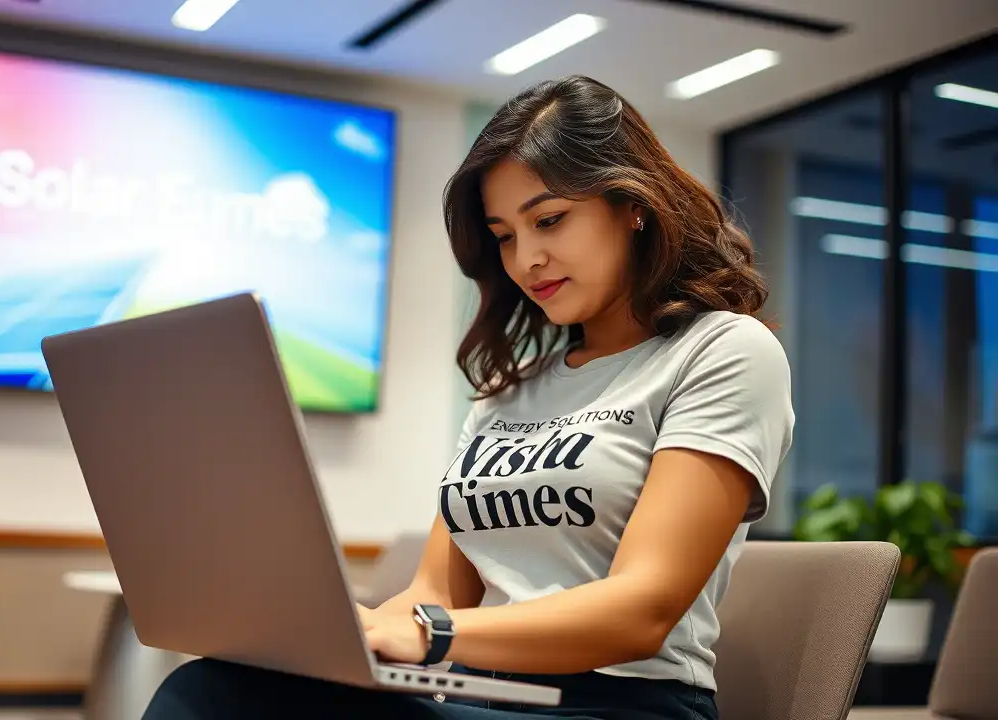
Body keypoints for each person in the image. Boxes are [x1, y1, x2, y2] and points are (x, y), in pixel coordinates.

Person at [141, 74, 794, 719]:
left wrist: (434, 635)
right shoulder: (509, 393)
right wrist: (347, 635)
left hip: (623, 703)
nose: (526, 258)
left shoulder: (721, 352)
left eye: (549, 220)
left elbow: (642, 608)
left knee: (207, 702)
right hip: (480, 693)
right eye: (505, 235)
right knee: (212, 687)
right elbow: (432, 590)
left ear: (634, 206)